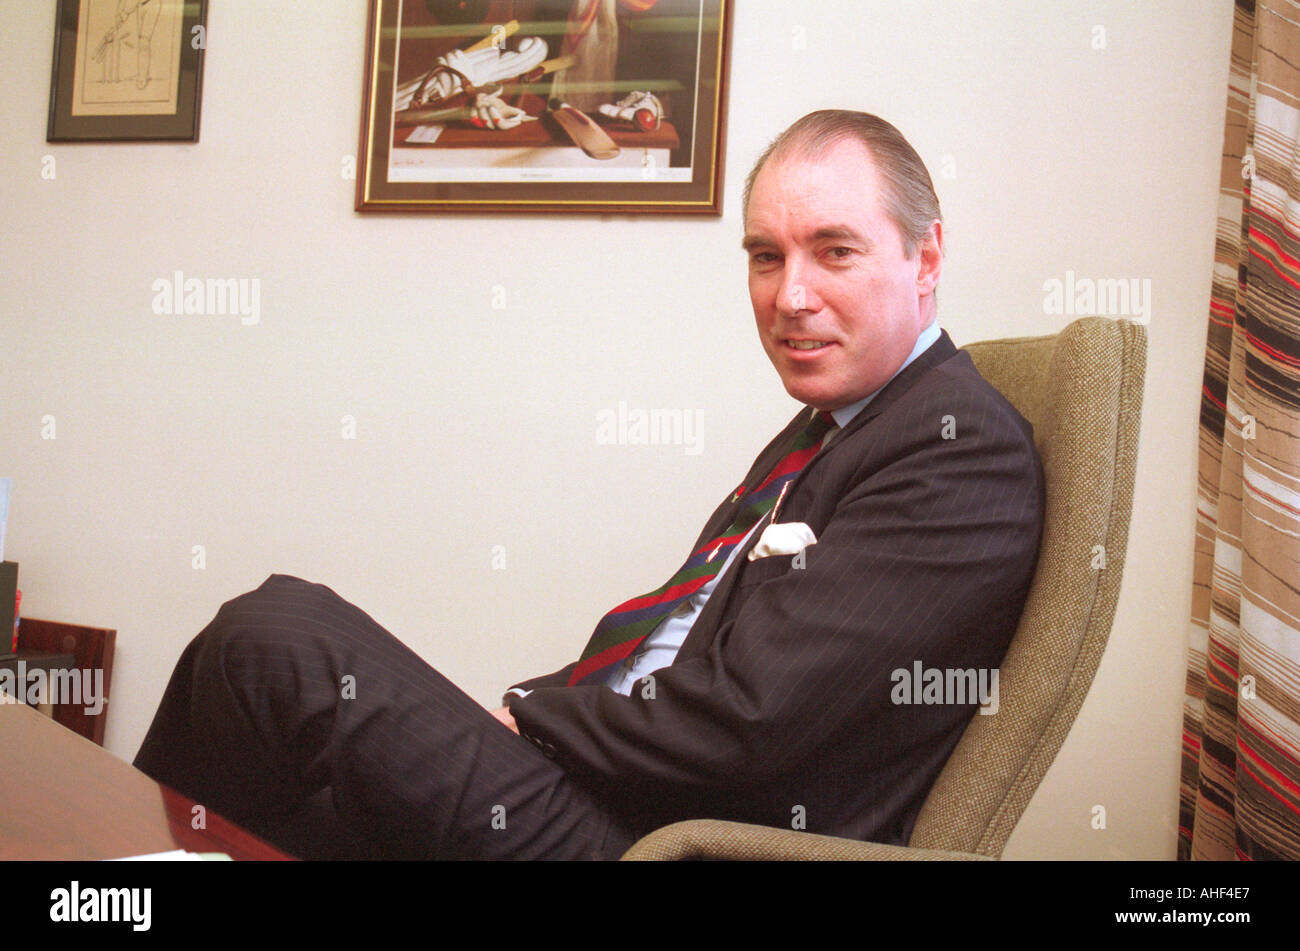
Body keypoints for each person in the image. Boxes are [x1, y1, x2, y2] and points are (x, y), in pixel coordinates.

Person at [134, 110, 1044, 860]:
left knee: (278, 637)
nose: (789, 295)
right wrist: (525, 715)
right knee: (297, 818)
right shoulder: (833, 427)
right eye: (766, 256)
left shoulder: (955, 450)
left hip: (678, 842)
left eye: (833, 252)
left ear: (926, 260)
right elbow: (682, 640)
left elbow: (750, 717)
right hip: (615, 793)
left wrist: (532, 719)